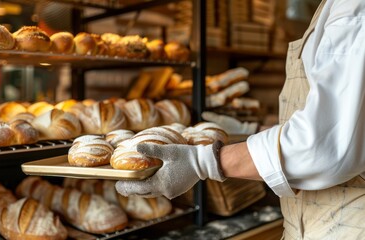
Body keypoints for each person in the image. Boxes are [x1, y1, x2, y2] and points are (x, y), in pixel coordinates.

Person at [115, 0, 365, 238]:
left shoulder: (353, 7)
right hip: (316, 222)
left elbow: (324, 144)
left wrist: (202, 163)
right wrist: (251, 130)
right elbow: (342, 125)